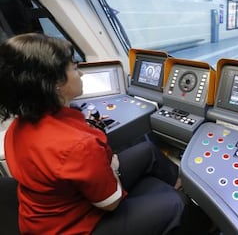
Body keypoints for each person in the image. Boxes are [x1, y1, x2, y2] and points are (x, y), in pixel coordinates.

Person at [0, 33, 188, 234]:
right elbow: (111, 203)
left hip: (49, 210)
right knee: (173, 204)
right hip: (71, 226)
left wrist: (105, 162)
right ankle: (183, 206)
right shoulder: (78, 145)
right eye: (73, 68)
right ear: (55, 83)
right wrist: (111, 166)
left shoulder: (17, 127)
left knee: (148, 150)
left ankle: (179, 184)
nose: (80, 74)